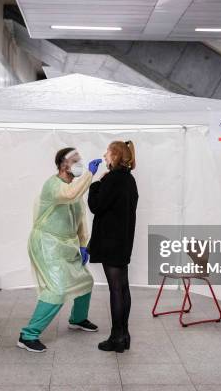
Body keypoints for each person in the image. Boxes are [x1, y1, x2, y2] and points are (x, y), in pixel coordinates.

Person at [18, 148, 103, 352]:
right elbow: (69, 195)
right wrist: (90, 174)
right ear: (63, 164)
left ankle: (78, 319)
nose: (79, 163)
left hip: (66, 245)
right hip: (46, 244)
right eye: (75, 160)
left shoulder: (75, 188)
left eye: (79, 160)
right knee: (57, 290)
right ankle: (27, 335)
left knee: (86, 281)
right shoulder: (53, 185)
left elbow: (81, 219)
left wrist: (83, 244)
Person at [88, 141, 138, 353]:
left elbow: (96, 206)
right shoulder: (129, 179)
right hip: (123, 241)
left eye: (107, 152)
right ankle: (124, 335)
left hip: (111, 242)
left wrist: (95, 184)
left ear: (115, 155)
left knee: (116, 289)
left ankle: (116, 337)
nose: (104, 155)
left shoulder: (113, 179)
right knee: (123, 288)